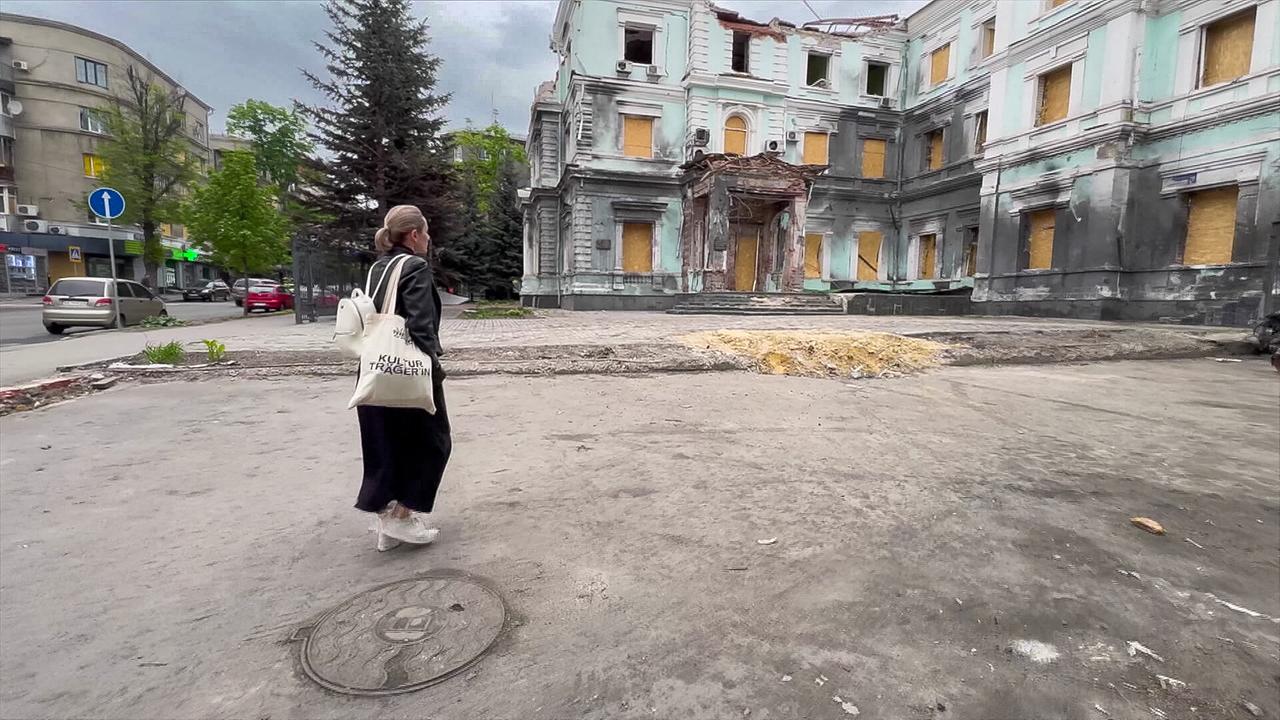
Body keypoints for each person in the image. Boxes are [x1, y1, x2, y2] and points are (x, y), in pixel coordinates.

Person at [357, 205, 451, 551]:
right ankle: (401, 516)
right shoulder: (415, 266)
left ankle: (388, 521)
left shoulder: (377, 268)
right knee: (435, 441)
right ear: (414, 235)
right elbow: (420, 325)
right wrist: (433, 368)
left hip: (373, 370)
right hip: (405, 371)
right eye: (426, 233)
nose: (428, 240)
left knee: (387, 443)